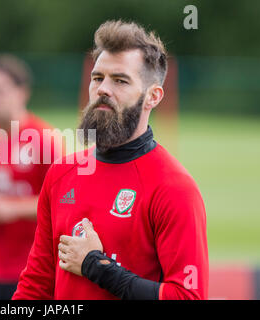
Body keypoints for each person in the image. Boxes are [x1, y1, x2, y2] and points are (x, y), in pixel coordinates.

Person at [13, 20, 209, 300]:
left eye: (120, 80)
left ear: (152, 97)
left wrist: (97, 266)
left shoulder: (174, 188)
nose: (103, 89)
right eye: (97, 78)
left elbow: (188, 297)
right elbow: (36, 284)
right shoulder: (61, 173)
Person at [0, 54, 60, 300]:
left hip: (37, 268)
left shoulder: (46, 140)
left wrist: (14, 208)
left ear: (22, 92)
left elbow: (62, 204)